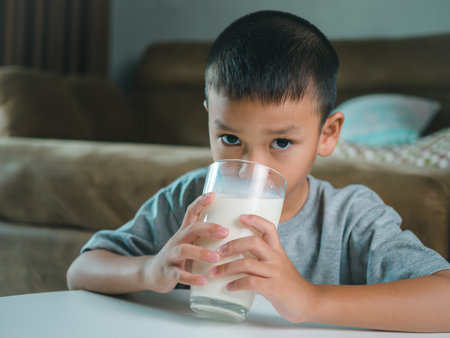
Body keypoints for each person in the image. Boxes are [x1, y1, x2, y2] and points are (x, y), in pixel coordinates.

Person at [67, 10, 450, 332]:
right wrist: (149, 271)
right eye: (230, 137)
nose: (253, 166)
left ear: (327, 135)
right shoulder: (190, 201)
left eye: (281, 143)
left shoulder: (351, 218)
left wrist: (309, 300)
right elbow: (81, 270)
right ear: (209, 120)